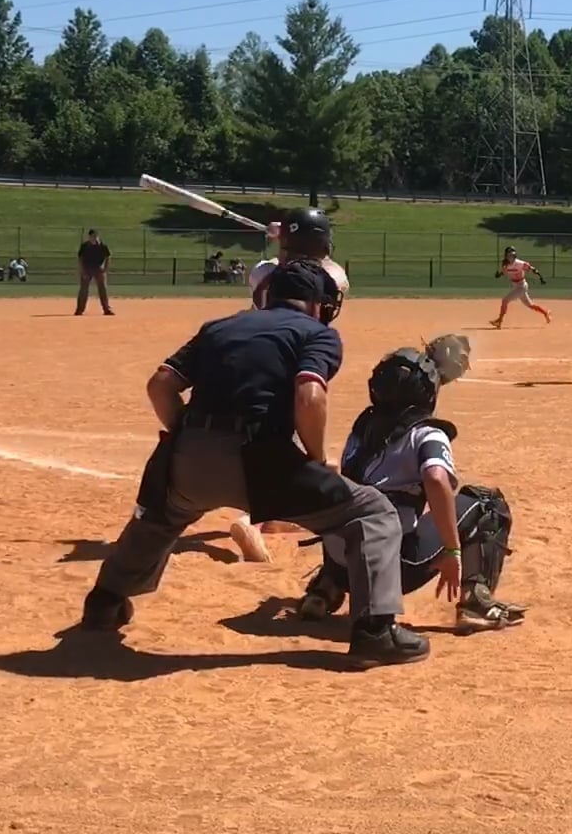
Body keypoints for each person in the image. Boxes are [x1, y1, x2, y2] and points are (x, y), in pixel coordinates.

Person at [77, 256, 428, 665]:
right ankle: (375, 632)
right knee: (371, 512)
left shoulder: (219, 327)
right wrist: (316, 460)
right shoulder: (316, 333)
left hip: (189, 458)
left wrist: (186, 435)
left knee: (161, 518)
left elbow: (161, 385)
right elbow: (309, 396)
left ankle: (105, 603)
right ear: (318, 304)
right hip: (262, 462)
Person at [297, 336, 526, 633]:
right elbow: (436, 479)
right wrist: (452, 551)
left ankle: (324, 589)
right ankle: (475, 601)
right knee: (487, 503)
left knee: (352, 502)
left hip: (344, 567)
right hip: (393, 569)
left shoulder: (362, 429)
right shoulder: (427, 433)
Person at [230, 207, 349, 563]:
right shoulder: (333, 278)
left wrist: (280, 243)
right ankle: (254, 520)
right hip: (300, 356)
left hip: (257, 355)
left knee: (269, 436)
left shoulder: (262, 273)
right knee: (290, 442)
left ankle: (268, 515)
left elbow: (278, 269)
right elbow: (329, 271)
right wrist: (290, 240)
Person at [492, 245, 551, 329]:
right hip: (516, 287)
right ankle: (546, 312)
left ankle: (499, 321)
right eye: (508, 255)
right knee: (530, 305)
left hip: (522, 286)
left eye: (512, 255)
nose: (510, 257)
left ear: (514, 255)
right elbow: (504, 271)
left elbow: (532, 269)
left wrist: (541, 278)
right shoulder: (505, 264)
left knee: (505, 300)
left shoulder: (520, 263)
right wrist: (498, 275)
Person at [76, 229, 114, 316]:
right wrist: (82, 270)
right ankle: (79, 310)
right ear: (89, 237)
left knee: (103, 289)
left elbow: (108, 257)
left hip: (98, 269)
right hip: (87, 269)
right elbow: (80, 259)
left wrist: (105, 268)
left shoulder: (102, 246)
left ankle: (106, 309)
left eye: (96, 236)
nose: (95, 238)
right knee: (83, 290)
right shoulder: (84, 246)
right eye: (93, 236)